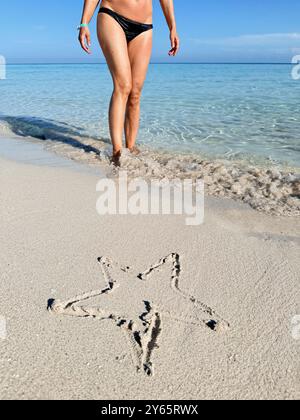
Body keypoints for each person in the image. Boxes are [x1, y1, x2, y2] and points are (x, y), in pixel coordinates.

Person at [79, 0, 179, 165]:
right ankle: (117, 152)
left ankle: (130, 148)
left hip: (144, 26)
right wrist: (84, 22)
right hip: (112, 16)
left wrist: (172, 27)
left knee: (135, 92)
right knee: (123, 85)